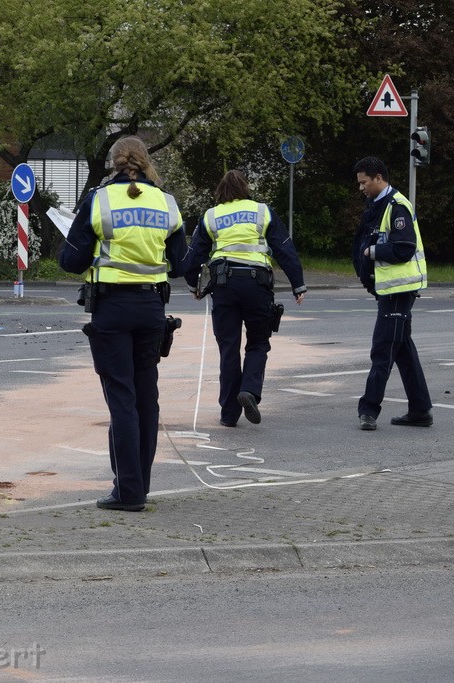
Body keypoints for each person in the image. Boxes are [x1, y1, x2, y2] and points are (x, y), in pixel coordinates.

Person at [59, 136, 187, 512]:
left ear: (113, 164)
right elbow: (180, 264)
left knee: (122, 400)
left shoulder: (99, 200)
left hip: (112, 309)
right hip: (150, 307)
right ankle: (139, 486)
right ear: (145, 162)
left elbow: (70, 260)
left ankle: (129, 492)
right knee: (147, 398)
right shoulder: (166, 202)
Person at [183, 170, 306, 427]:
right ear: (245, 188)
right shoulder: (262, 211)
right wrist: (298, 284)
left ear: (221, 191)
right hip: (256, 284)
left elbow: (194, 255)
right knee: (258, 343)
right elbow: (284, 247)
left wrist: (194, 284)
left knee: (229, 349)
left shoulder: (211, 215)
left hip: (224, 285)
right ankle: (249, 390)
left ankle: (229, 414)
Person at [351, 157, 431, 431]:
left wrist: (371, 252)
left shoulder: (397, 207)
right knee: (403, 349)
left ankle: (368, 410)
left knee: (383, 348)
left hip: (399, 290)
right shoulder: (377, 205)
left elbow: (404, 247)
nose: (361, 187)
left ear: (378, 178)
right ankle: (420, 410)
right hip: (389, 289)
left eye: (364, 182)